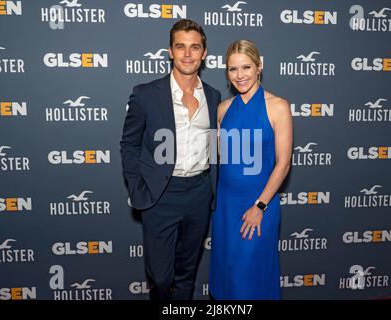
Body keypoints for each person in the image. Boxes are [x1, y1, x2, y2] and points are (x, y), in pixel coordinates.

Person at [120, 19, 221, 300]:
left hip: (200, 193)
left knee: (187, 275)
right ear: (170, 51)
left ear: (204, 53)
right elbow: (129, 143)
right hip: (161, 194)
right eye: (181, 47)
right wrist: (135, 186)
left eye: (194, 47)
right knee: (162, 279)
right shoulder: (145, 94)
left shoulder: (213, 96)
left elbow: (214, 146)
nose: (187, 54)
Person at [209, 40, 293, 300]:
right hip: (225, 206)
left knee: (250, 277)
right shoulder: (222, 110)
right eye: (233, 69)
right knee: (227, 277)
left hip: (259, 204)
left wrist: (260, 206)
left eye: (246, 67)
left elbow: (284, 163)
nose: (240, 75)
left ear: (259, 66)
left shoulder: (278, 107)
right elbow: (217, 159)